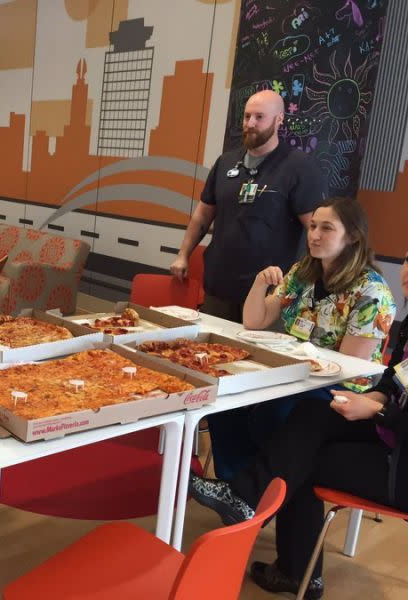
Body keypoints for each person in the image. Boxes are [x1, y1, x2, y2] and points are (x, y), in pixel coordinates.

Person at [188, 249, 408, 600]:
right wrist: (377, 401)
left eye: (327, 228)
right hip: (386, 432)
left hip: (400, 466)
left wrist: (379, 412)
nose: (407, 271)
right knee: (307, 417)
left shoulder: (372, 291)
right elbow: (392, 380)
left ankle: (288, 559)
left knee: (296, 459)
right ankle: (245, 498)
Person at [206, 197, 396, 482]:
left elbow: (348, 366)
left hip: (340, 388)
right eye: (313, 226)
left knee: (272, 413)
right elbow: (255, 321)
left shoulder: (371, 292)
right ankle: (237, 482)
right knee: (223, 401)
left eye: (327, 228)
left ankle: (260, 490)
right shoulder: (303, 272)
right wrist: (260, 283)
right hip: (293, 373)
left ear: (353, 236)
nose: (315, 235)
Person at [170, 89, 327, 323]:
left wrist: (313, 279)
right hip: (220, 286)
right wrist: (183, 255)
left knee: (255, 357)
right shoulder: (226, 162)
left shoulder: (298, 167)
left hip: (270, 291)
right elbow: (203, 214)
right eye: (247, 116)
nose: (250, 123)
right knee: (213, 351)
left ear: (279, 119)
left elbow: (315, 230)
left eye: (259, 117)